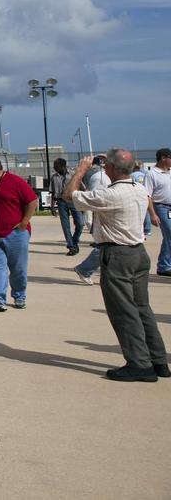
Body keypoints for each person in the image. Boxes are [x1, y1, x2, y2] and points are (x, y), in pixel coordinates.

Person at [65, 148, 167, 381]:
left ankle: (139, 364)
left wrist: (80, 171)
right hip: (138, 252)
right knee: (142, 308)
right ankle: (158, 359)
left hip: (118, 254)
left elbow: (69, 195)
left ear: (110, 168)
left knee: (123, 311)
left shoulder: (110, 194)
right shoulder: (139, 189)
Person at [0, 156, 38, 311]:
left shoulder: (15, 181)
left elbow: (32, 201)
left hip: (15, 233)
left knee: (18, 268)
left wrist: (24, 222)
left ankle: (19, 295)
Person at [74, 154, 113, 285]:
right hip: (104, 214)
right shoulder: (99, 176)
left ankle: (86, 269)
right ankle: (85, 269)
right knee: (107, 245)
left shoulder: (98, 174)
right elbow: (97, 198)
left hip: (106, 213)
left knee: (108, 245)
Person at [145, 148, 171, 277]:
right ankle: (164, 265)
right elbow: (147, 195)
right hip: (162, 207)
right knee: (170, 234)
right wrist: (152, 214)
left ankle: (163, 265)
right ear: (163, 158)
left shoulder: (169, 172)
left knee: (168, 237)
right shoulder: (152, 174)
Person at [51, 158, 84, 255]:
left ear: (63, 166)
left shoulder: (73, 174)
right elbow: (53, 193)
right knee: (66, 226)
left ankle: (74, 241)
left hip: (73, 200)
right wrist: (52, 207)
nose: (54, 168)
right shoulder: (54, 177)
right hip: (61, 202)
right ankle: (71, 246)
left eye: (56, 166)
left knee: (80, 224)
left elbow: (82, 187)